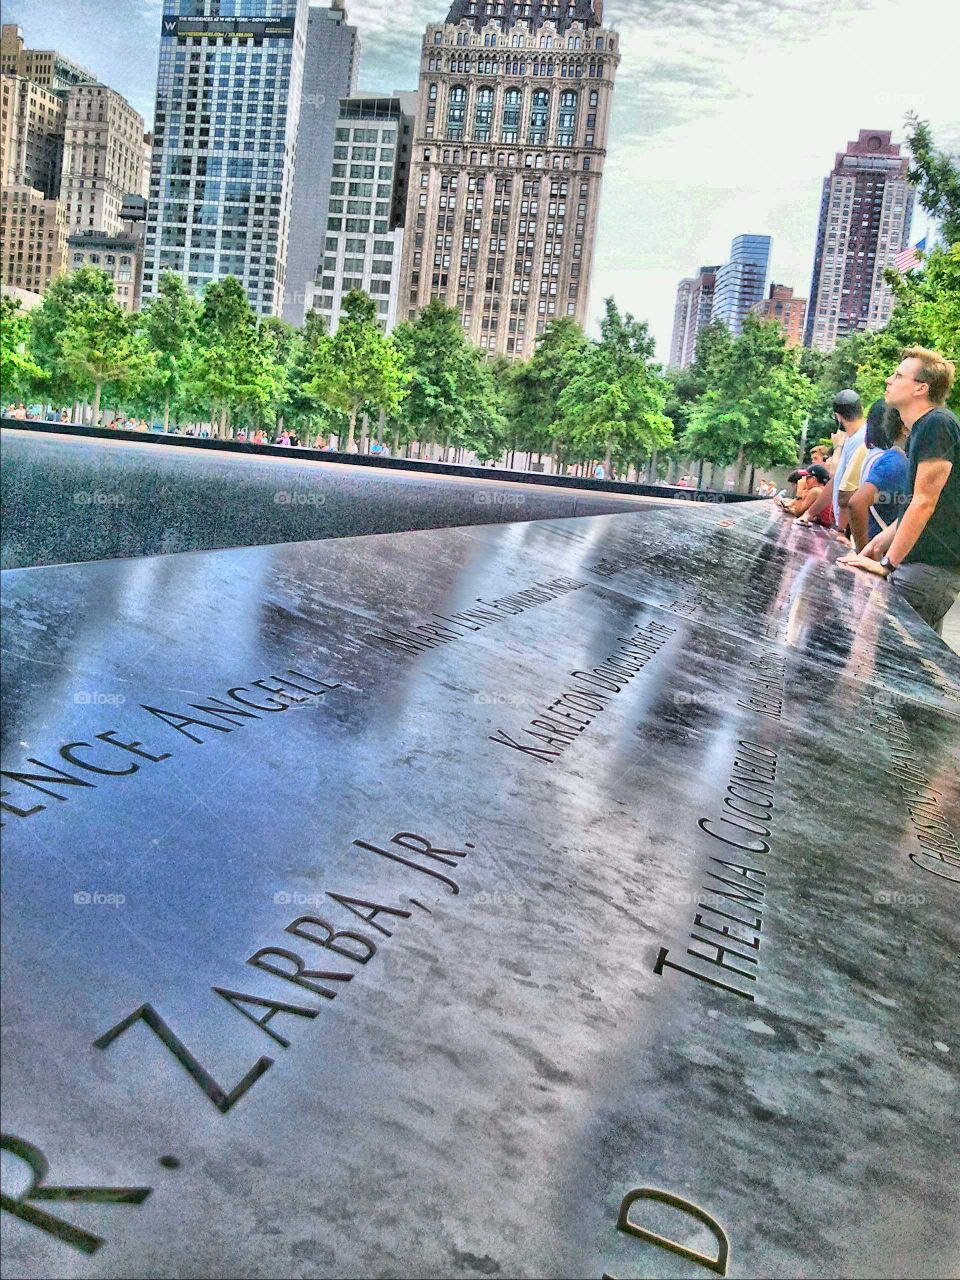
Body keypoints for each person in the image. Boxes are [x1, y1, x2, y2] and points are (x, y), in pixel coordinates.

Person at [840, 347, 959, 635]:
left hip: (926, 569)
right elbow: (916, 505)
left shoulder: (937, 424)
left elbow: (924, 503)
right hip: (924, 569)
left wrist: (888, 564)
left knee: (885, 657)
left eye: (898, 375)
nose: (888, 381)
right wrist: (877, 543)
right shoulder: (925, 426)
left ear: (921, 388)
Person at [799, 390, 866, 530]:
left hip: (852, 527)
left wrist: (838, 447)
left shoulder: (861, 439)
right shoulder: (851, 438)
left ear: (837, 416)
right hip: (844, 523)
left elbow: (837, 477)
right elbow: (836, 480)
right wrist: (809, 513)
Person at [846, 402, 908, 551]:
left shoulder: (886, 457)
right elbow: (856, 503)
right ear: (904, 427)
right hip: (880, 550)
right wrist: (865, 552)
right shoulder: (895, 462)